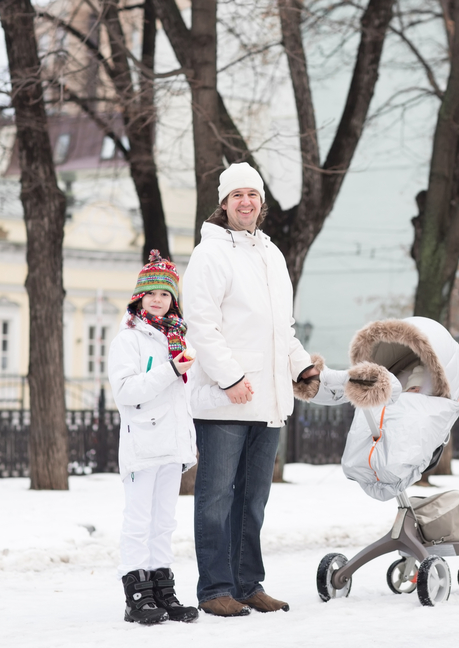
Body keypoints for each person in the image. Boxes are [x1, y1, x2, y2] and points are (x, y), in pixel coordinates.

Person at [181, 162, 319, 617]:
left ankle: (247, 583)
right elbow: (201, 325)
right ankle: (215, 588)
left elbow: (284, 329)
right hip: (227, 399)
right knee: (217, 497)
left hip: (269, 399)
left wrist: (300, 368)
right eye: (236, 195)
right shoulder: (210, 254)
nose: (245, 202)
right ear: (224, 203)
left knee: (253, 499)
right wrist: (231, 378)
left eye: (252, 195)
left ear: (261, 203)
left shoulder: (272, 255)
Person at [108, 251, 239, 624]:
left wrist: (228, 393)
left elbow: (186, 397)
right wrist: (169, 369)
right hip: (142, 445)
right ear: (138, 297)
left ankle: (162, 588)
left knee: (164, 520)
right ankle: (137, 591)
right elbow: (126, 393)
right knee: (138, 519)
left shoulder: (177, 339)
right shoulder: (129, 340)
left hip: (172, 447)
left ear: (172, 300)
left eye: (165, 295)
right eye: (151, 294)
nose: (157, 300)